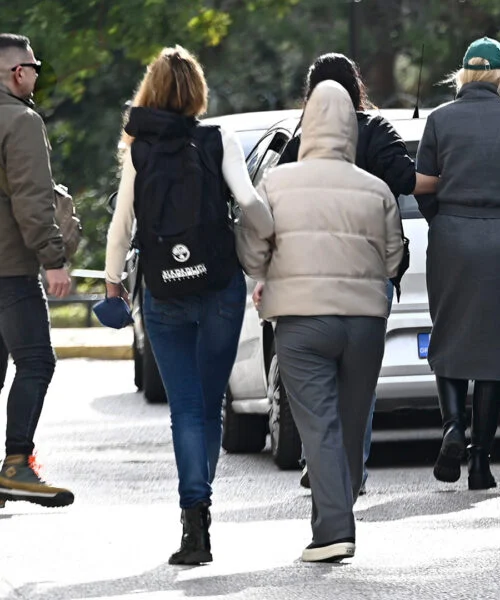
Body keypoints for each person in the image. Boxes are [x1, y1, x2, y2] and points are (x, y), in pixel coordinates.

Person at [103, 45, 273, 565]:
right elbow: (249, 205)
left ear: (151, 91)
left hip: (164, 294)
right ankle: (202, 504)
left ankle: (193, 520)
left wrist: (113, 283)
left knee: (186, 411)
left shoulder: (139, 150)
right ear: (197, 91)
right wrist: (263, 251)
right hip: (219, 287)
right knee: (211, 401)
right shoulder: (219, 138)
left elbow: (120, 226)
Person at [238, 80, 403, 563]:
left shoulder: (275, 183)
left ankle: (333, 528)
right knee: (351, 424)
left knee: (320, 426)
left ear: (307, 124)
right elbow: (393, 259)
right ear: (351, 127)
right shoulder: (376, 189)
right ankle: (337, 512)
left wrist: (264, 271)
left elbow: (253, 249)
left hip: (301, 323)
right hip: (365, 323)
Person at [268, 52, 428, 495]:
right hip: (369, 275)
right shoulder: (376, 131)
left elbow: (275, 207)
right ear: (356, 87)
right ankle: (351, 471)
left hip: (310, 276)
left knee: (316, 378)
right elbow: (407, 179)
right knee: (358, 385)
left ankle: (317, 460)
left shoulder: (301, 143)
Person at [415, 37, 500, 490]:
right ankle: (481, 463)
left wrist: (448, 220)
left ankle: (453, 427)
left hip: (452, 237)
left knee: (450, 333)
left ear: (464, 75)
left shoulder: (438, 120)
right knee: (496, 348)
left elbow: (424, 187)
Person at [0, 33, 74, 509]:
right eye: (34, 67)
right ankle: (16, 465)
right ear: (16, 72)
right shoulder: (21, 120)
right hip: (11, 268)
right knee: (36, 362)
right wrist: (53, 258)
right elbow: (31, 198)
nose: (36, 74)